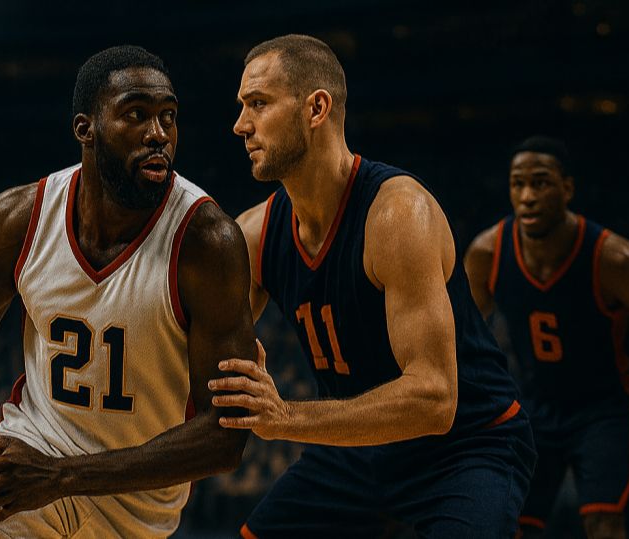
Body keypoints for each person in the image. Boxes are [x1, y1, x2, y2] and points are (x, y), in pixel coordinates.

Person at [0, 45, 258, 538]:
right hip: (32, 455)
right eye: (136, 115)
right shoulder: (20, 217)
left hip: (136, 498)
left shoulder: (207, 242)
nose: (158, 134)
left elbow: (225, 436)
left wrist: (61, 478)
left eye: (168, 117)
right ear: (86, 129)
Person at [212, 34, 536, 538]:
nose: (240, 124)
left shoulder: (399, 215)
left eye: (258, 103)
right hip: (357, 452)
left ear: (316, 108)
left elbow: (434, 399)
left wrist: (285, 416)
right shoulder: (253, 233)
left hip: (464, 446)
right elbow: (197, 348)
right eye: (242, 106)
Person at [463, 135, 629, 537]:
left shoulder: (616, 259)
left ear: (568, 189)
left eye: (541, 183)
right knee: (504, 524)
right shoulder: (486, 253)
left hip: (603, 410)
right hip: (532, 406)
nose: (527, 196)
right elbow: (458, 343)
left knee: (605, 525)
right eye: (518, 184)